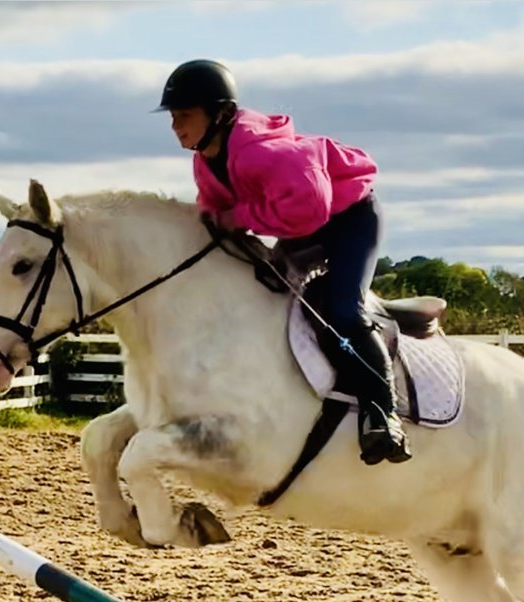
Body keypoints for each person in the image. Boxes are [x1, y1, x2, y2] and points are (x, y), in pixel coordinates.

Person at [156, 59, 411, 466]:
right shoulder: (205, 162)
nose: (175, 125)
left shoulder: (265, 153)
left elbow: (307, 212)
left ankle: (384, 416)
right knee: (264, 292)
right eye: (172, 116)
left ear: (219, 113)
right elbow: (218, 217)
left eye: (184, 115)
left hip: (349, 220)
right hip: (303, 223)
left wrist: (235, 218)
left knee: (344, 309)